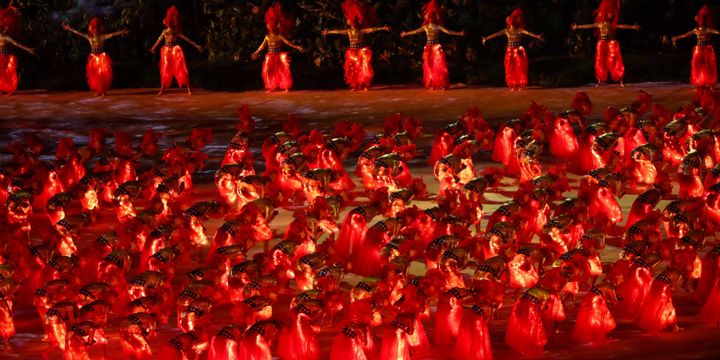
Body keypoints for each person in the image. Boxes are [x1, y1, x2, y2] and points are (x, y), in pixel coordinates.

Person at [322, 0, 390, 91]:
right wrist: (329, 32)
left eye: (350, 20)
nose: (349, 21)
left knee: (364, 68)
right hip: (352, 52)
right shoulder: (349, 31)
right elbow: (338, 31)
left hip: (362, 51)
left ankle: (365, 85)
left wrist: (382, 28)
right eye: (349, 20)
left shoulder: (361, 31)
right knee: (353, 69)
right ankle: (355, 85)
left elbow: (371, 29)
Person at [571, 0, 640, 86]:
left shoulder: (613, 24)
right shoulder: (600, 24)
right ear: (605, 13)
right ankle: (600, 80)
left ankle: (621, 80)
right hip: (602, 43)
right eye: (609, 13)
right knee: (600, 61)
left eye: (611, 13)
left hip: (612, 43)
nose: (610, 14)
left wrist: (632, 27)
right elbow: (590, 25)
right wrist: (577, 26)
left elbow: (622, 26)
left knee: (616, 61)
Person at [400, 0, 464, 90]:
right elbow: (415, 31)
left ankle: (441, 84)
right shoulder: (427, 27)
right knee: (429, 66)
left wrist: (458, 33)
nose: (429, 18)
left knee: (439, 66)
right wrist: (405, 33)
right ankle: (432, 84)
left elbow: (448, 32)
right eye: (429, 16)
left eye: (431, 16)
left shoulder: (436, 27)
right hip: (429, 48)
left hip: (436, 48)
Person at [62, 18, 128, 96]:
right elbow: (79, 33)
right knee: (95, 76)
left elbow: (112, 34)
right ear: (91, 29)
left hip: (102, 59)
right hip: (93, 59)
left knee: (102, 75)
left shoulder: (102, 37)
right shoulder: (89, 37)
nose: (95, 31)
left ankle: (103, 90)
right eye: (93, 29)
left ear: (99, 29)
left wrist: (121, 32)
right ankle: (98, 91)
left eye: (97, 29)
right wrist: (69, 29)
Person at [482, 9, 543, 91]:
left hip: (518, 51)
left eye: (510, 20)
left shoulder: (518, 30)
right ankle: (513, 85)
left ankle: (521, 85)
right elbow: (497, 34)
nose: (510, 21)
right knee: (510, 68)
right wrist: (486, 38)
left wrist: (537, 36)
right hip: (510, 51)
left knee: (520, 68)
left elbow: (528, 32)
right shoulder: (506, 30)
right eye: (508, 20)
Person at [252, 3, 305, 92]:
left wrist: (297, 47)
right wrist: (256, 52)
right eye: (269, 25)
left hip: (279, 56)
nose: (269, 26)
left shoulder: (279, 36)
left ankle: (286, 86)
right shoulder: (267, 37)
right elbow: (262, 46)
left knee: (283, 71)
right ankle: (271, 86)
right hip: (270, 56)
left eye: (271, 24)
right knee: (269, 71)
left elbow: (288, 42)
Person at [150, 6, 203, 95]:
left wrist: (196, 45)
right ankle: (162, 89)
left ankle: (188, 89)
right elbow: (159, 40)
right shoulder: (164, 31)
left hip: (175, 50)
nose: (164, 21)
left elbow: (186, 39)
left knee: (181, 69)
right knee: (164, 69)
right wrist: (154, 47)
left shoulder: (175, 31)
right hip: (166, 51)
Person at [672, 6, 719, 88]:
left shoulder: (707, 29)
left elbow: (717, 32)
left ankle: (710, 82)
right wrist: (677, 37)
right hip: (698, 49)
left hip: (706, 49)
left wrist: (677, 37)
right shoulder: (696, 30)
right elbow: (686, 34)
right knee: (697, 65)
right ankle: (700, 82)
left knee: (708, 65)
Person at [0, 4, 34, 96]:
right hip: (1, 57)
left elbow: (16, 44)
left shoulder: (6, 36)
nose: (6, 28)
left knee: (10, 72)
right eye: (5, 27)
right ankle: (3, 89)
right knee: (1, 74)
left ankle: (10, 89)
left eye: (7, 27)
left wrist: (28, 49)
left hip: (7, 56)